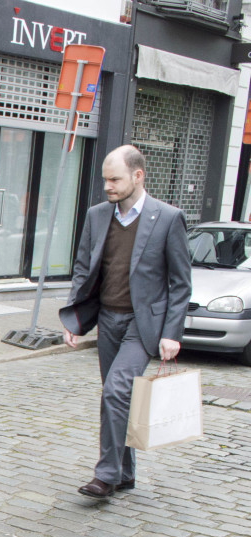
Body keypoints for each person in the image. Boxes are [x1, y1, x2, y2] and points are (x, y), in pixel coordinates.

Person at [59, 144, 192, 499]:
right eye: (105, 179)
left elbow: (180, 284)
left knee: (115, 390)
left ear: (137, 175)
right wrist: (74, 319)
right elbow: (84, 269)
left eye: (115, 179)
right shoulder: (98, 215)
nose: (108, 186)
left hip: (142, 325)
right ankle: (126, 472)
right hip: (107, 318)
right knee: (122, 399)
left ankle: (105, 475)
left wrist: (171, 333)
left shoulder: (167, 218)